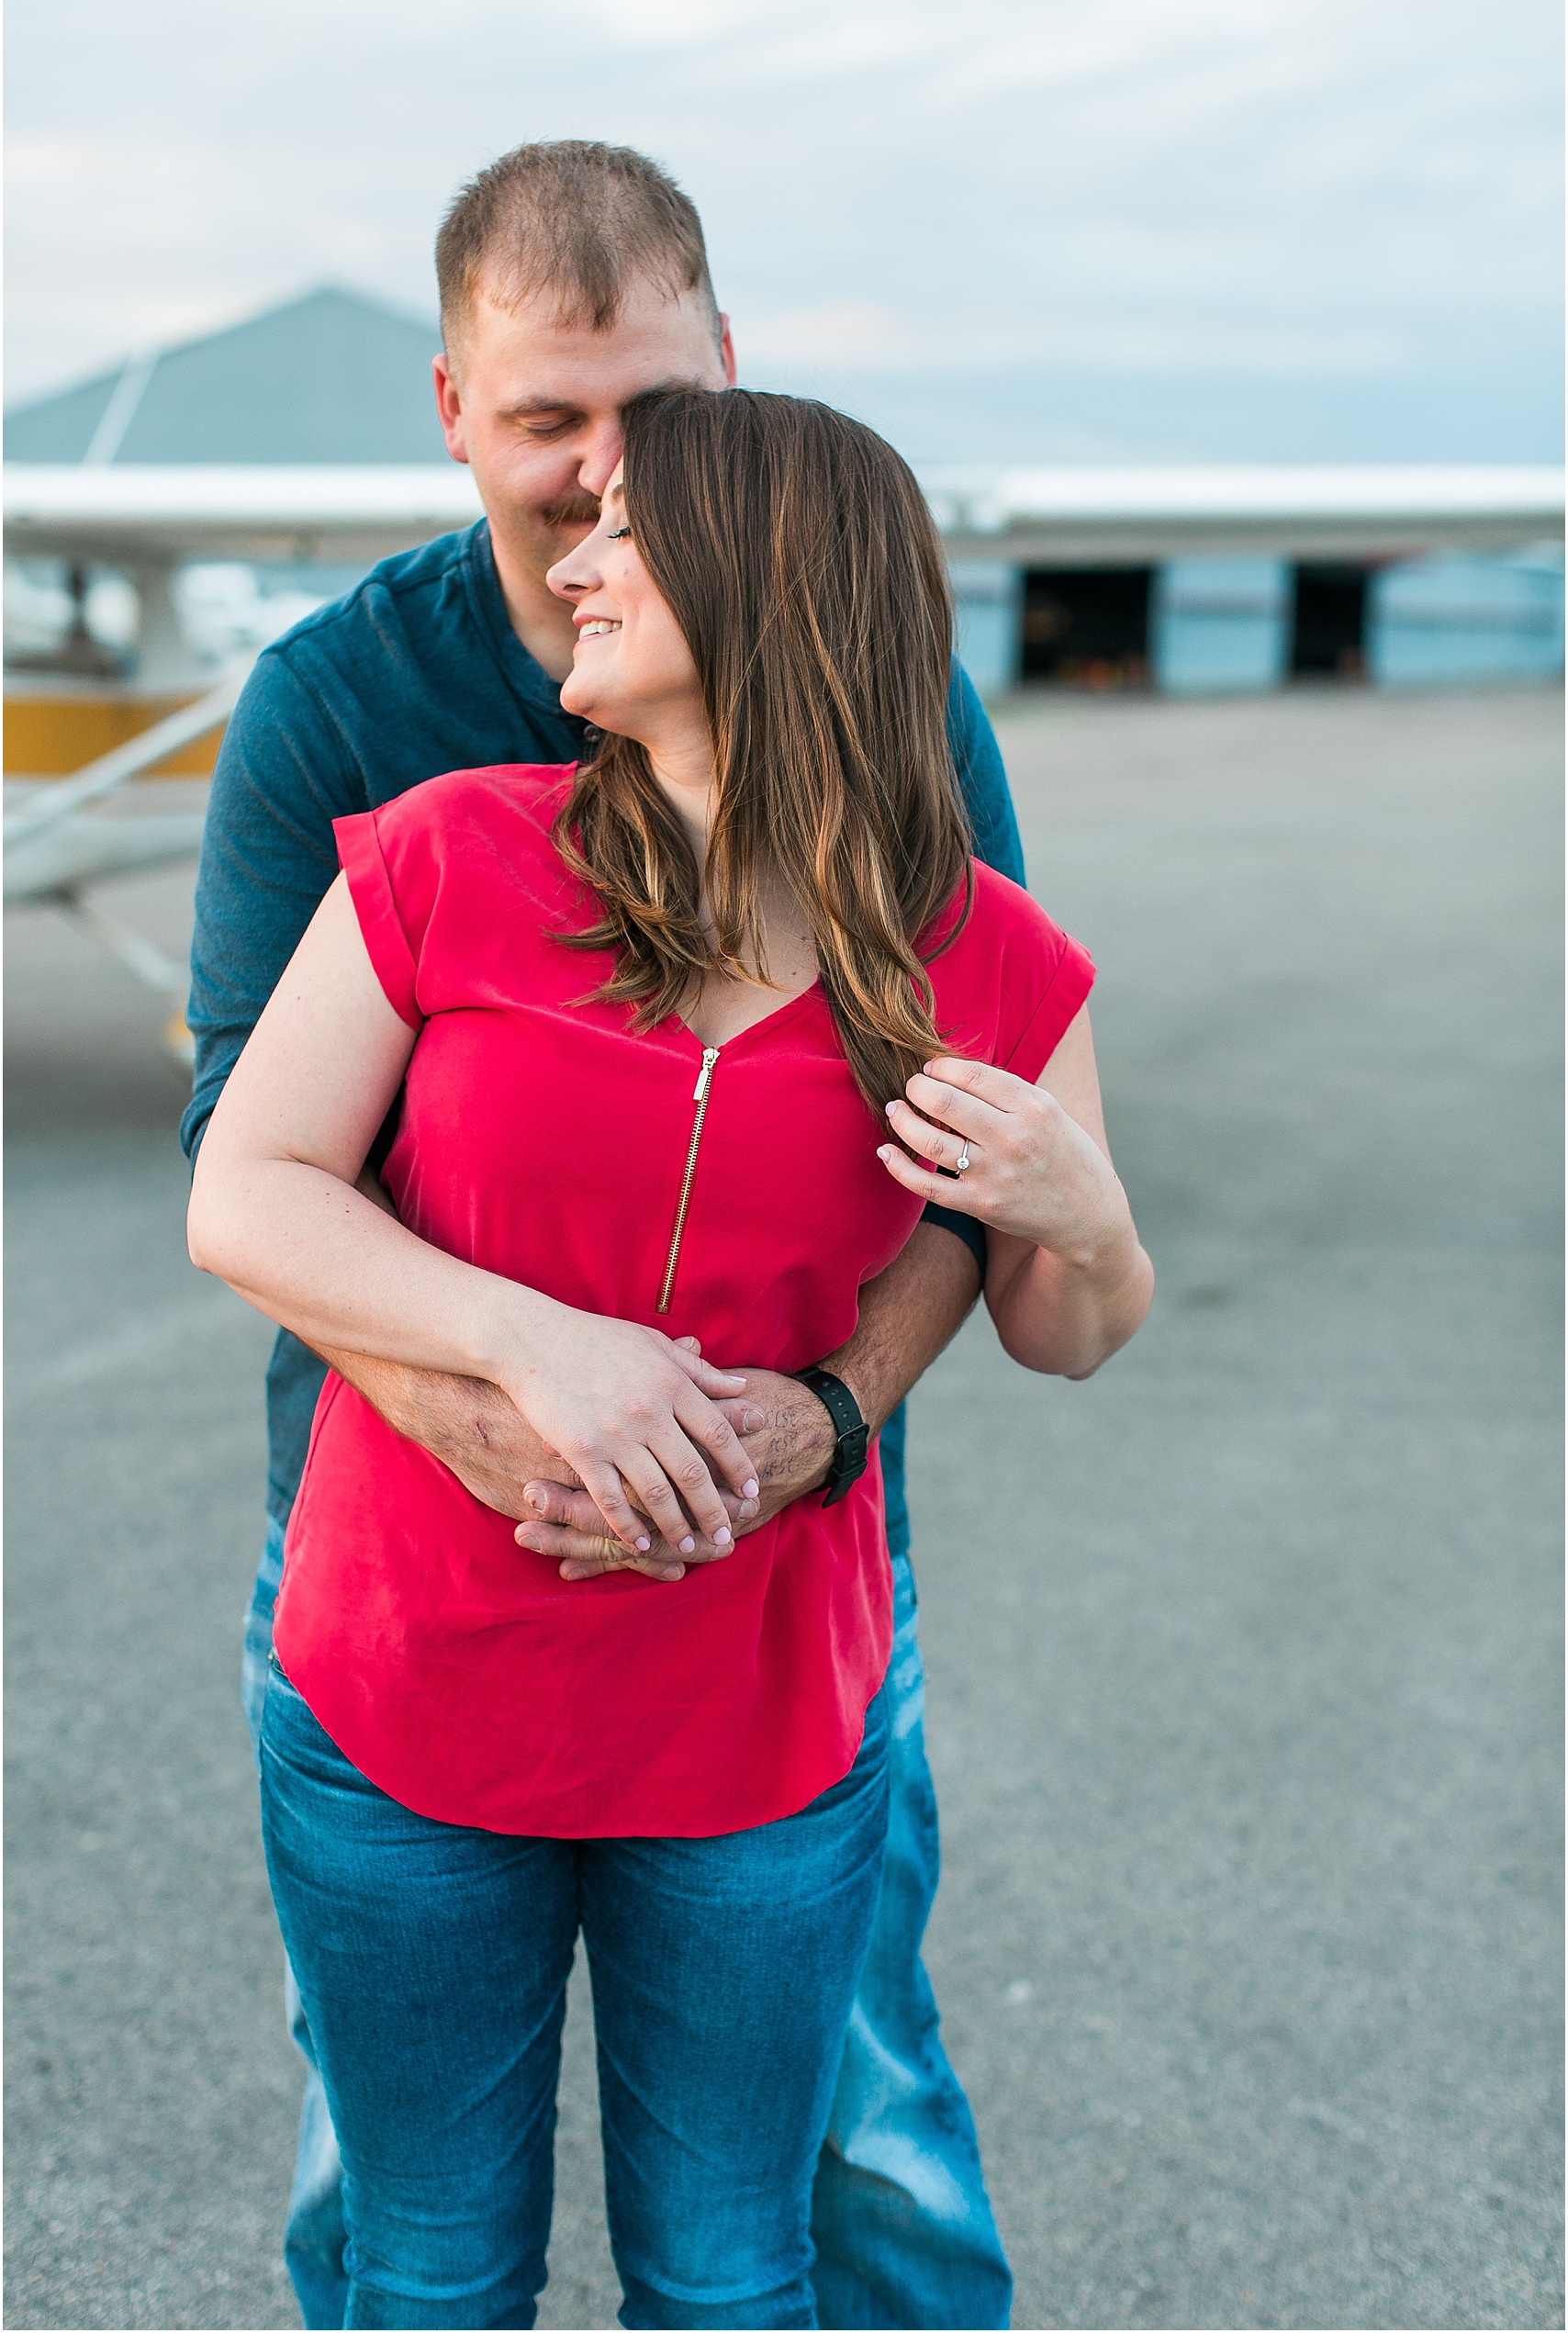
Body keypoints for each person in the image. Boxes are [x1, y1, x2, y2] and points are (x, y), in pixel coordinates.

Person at [187, 381, 1153, 2331]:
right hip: (407, 1695)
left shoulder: (979, 954)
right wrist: (534, 1345)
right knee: (430, 2266)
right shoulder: (447, 852)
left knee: (727, 2273)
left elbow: (1067, 1327)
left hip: (755, 1723)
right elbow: (247, 1190)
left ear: (771, 580)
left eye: (624, 525)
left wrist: (1082, 1207)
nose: (572, 558)